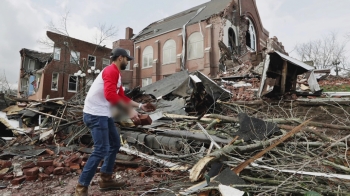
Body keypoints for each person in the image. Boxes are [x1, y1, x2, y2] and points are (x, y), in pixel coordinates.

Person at [75, 48, 155, 196]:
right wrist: (129, 112)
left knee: (115, 144)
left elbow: (121, 97)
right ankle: (81, 188)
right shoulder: (110, 71)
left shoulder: (116, 74)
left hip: (104, 114)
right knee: (101, 149)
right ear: (120, 58)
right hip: (95, 114)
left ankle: (106, 179)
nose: (128, 62)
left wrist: (139, 106)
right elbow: (110, 95)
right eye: (127, 59)